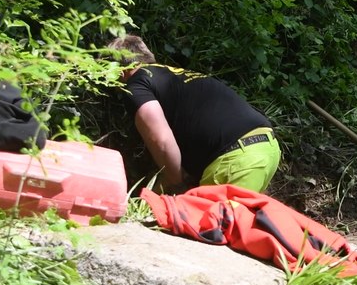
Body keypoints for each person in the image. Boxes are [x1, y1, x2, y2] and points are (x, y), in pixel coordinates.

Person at [107, 35, 280, 194]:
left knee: (201, 218)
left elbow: (161, 141)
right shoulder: (175, 75)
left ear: (119, 70)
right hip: (267, 149)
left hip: (235, 160)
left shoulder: (137, 84)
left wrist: (175, 182)